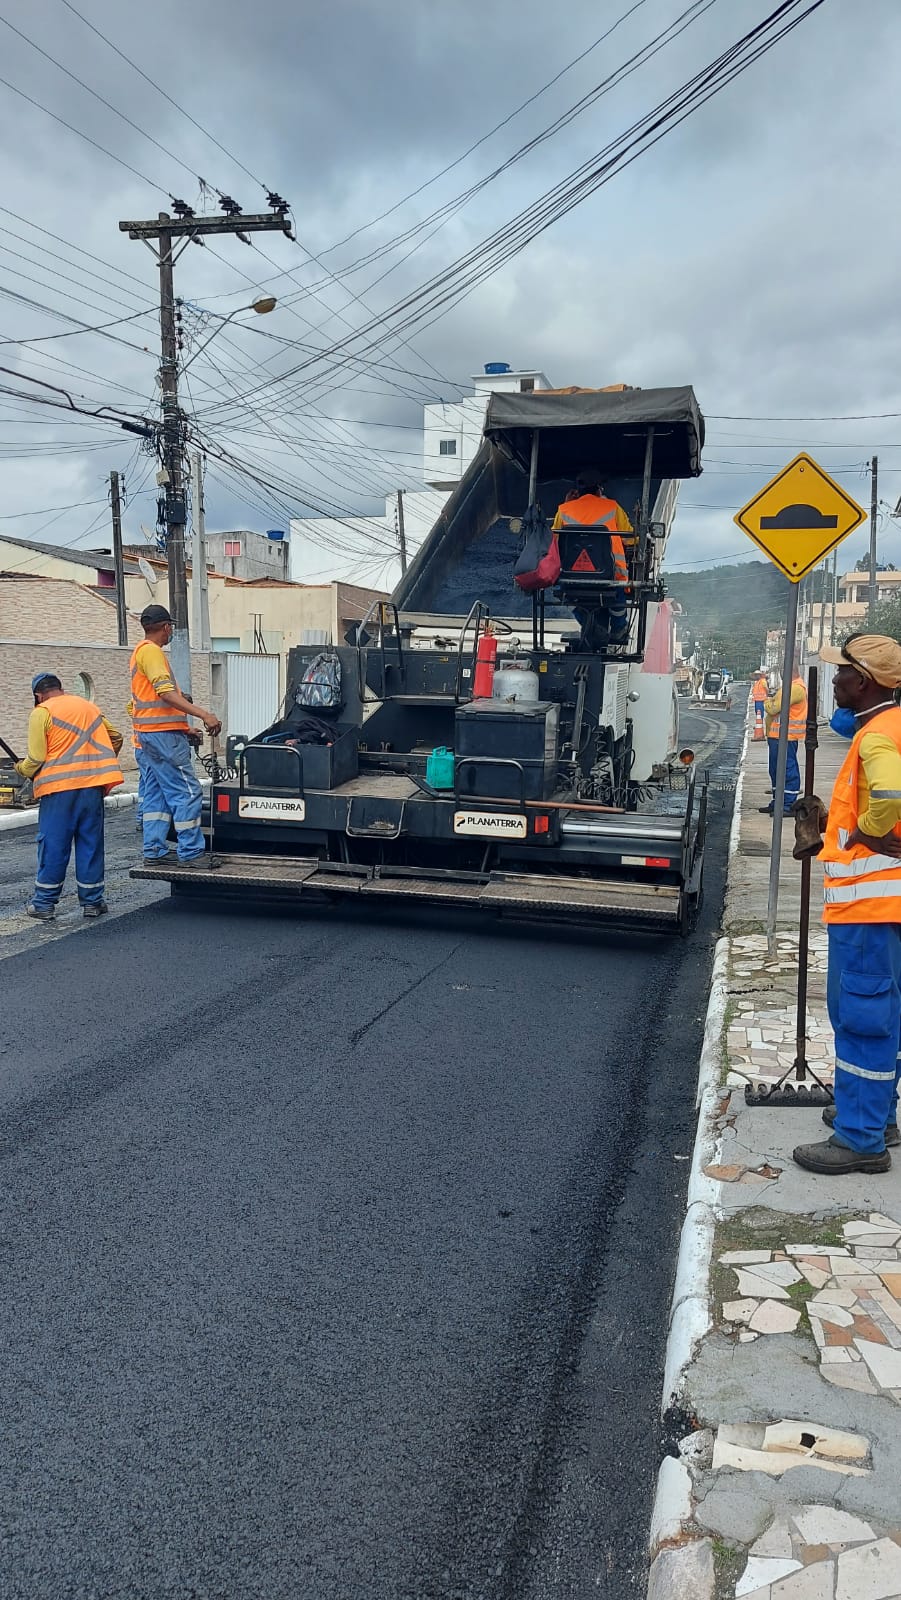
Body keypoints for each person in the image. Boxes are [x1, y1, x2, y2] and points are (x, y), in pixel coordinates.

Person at [793, 634, 901, 1175]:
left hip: (869, 909)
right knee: (888, 1014)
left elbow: (888, 796)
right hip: (891, 907)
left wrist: (861, 829)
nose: (833, 680)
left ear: (864, 681)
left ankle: (860, 1139)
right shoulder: (891, 726)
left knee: (862, 1017)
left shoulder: (879, 737)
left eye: (842, 674)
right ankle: (880, 1117)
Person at [14, 672, 123, 922]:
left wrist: (21, 768)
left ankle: (44, 904)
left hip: (59, 791)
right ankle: (93, 902)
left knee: (54, 845)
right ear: (60, 688)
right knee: (90, 844)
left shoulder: (42, 712)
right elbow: (115, 737)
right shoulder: (90, 707)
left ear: (38, 695)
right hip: (92, 788)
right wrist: (96, 760)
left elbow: (36, 759)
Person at [130, 604, 221, 867]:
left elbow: (151, 703)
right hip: (163, 737)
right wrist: (204, 715)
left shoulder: (138, 652)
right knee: (187, 791)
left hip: (150, 735)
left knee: (157, 794)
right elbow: (166, 693)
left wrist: (184, 727)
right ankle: (191, 852)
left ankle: (154, 850)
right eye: (171, 627)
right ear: (166, 627)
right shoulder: (152, 653)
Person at [552, 470, 632, 648]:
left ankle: (589, 625)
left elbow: (554, 541)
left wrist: (567, 504)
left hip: (571, 579)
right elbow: (629, 538)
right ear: (599, 490)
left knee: (565, 594)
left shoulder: (563, 510)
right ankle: (618, 628)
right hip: (608, 577)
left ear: (577, 491)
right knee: (618, 593)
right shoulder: (612, 507)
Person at [759, 664, 807, 815]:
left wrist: (767, 702)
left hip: (786, 737)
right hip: (777, 736)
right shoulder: (789, 687)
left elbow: (774, 707)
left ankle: (788, 805)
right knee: (775, 770)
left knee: (787, 770)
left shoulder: (796, 688)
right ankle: (777, 801)